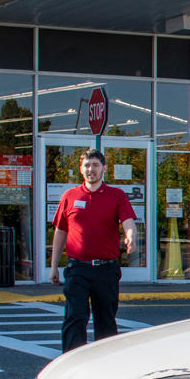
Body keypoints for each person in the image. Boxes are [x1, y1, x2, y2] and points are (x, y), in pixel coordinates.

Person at [49, 149, 137, 352]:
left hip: (106, 270)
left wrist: (130, 236)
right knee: (75, 318)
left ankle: (104, 368)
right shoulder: (70, 196)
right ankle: (71, 365)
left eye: (96, 165)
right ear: (81, 169)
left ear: (104, 168)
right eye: (87, 165)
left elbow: (128, 221)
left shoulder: (117, 195)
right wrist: (54, 266)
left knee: (106, 321)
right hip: (78, 269)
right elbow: (61, 231)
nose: (91, 169)